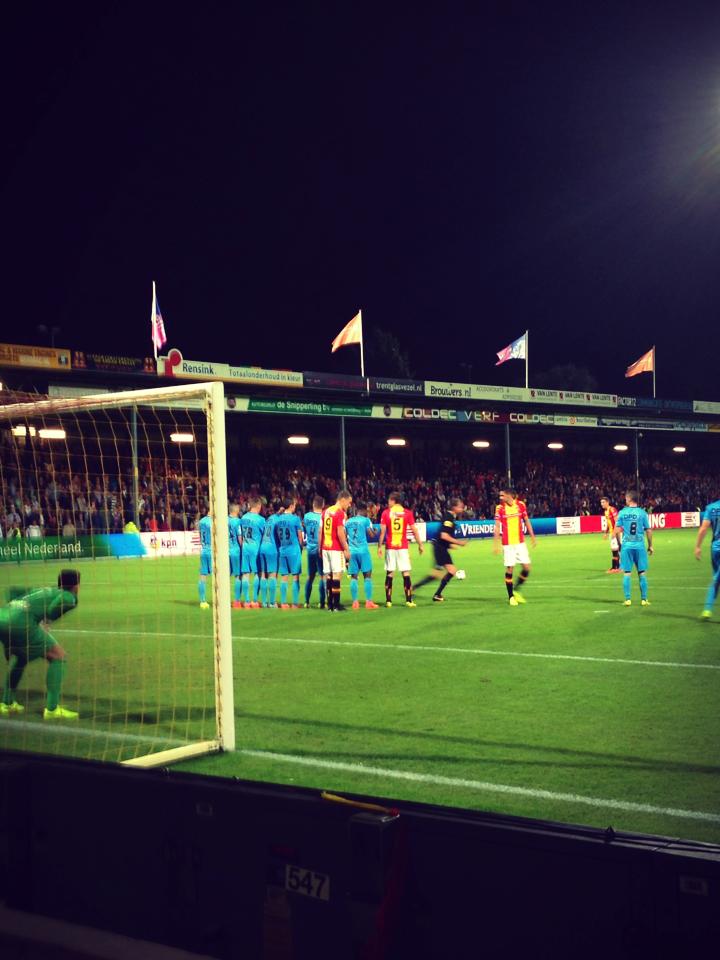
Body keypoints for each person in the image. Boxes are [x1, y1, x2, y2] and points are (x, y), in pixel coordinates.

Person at [0, 570, 81, 720]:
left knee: (22, 656)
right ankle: (52, 709)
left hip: (3, 618)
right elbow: (55, 608)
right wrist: (47, 620)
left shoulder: (44, 590)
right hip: (21, 624)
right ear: (76, 585)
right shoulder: (69, 596)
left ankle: (7, 702)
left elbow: (12, 591)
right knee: (58, 656)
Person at [413, 497, 467, 602]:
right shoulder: (448, 518)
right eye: (460, 507)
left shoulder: (450, 517)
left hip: (441, 548)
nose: (462, 509)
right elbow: (444, 536)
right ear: (454, 507)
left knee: (442, 573)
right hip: (440, 548)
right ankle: (432, 593)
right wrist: (459, 543)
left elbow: (443, 536)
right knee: (445, 572)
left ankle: (427, 592)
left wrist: (450, 545)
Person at [378, 492, 423, 608]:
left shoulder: (386, 513)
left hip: (390, 547)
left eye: (389, 500)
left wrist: (379, 547)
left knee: (390, 572)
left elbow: (382, 532)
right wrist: (420, 544)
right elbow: (414, 530)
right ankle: (409, 600)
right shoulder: (407, 513)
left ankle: (388, 601)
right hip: (402, 547)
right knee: (406, 573)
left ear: (393, 501)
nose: (388, 503)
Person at [493, 489, 536, 606]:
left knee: (527, 568)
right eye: (500, 495)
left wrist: (532, 536)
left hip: (520, 543)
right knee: (510, 569)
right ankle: (511, 596)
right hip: (508, 544)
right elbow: (497, 526)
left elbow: (526, 521)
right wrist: (496, 544)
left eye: (503, 495)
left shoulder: (521, 505)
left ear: (510, 495)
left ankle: (516, 590)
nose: (501, 497)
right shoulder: (499, 508)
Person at [616, 491, 653, 607]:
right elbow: (648, 530)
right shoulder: (642, 513)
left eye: (626, 498)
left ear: (629, 499)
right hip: (639, 546)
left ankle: (628, 599)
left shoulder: (622, 513)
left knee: (627, 573)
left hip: (626, 546)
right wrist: (650, 545)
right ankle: (644, 599)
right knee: (642, 573)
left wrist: (620, 545)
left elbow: (617, 531)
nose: (625, 499)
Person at [321, 490, 352, 612]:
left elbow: (321, 531)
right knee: (337, 575)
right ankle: (336, 605)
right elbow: (340, 532)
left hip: (325, 547)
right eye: (349, 502)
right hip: (335, 548)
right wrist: (346, 548)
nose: (349, 505)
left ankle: (330, 605)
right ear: (342, 500)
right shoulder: (339, 513)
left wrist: (320, 547)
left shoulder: (326, 512)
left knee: (328, 575)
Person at [345, 501, 379, 610]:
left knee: (354, 577)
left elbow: (345, 536)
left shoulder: (348, 522)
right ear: (363, 510)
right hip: (363, 551)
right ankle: (368, 602)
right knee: (367, 576)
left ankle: (355, 602)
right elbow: (371, 535)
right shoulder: (365, 520)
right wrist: (375, 530)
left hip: (352, 552)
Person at [274, 498, 304, 609]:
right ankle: (295, 603)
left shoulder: (278, 520)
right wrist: (300, 547)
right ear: (291, 506)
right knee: (295, 577)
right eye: (294, 505)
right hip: (293, 550)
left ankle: (283, 602)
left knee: (284, 578)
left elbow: (277, 535)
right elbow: (300, 536)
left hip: (283, 550)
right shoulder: (295, 519)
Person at [694, 496, 720, 619]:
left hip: (715, 548)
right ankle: (707, 609)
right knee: (716, 578)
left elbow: (703, 528)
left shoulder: (711, 507)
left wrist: (698, 547)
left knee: (716, 578)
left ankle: (707, 609)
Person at [240, 497, 266, 608]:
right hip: (256, 548)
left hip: (245, 547)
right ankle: (254, 600)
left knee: (245, 574)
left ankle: (246, 600)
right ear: (258, 506)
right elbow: (265, 535)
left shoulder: (243, 517)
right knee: (257, 573)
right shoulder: (261, 520)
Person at [303, 496, 326, 609]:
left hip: (310, 549)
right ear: (323, 505)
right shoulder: (323, 516)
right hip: (320, 549)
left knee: (310, 576)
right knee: (322, 576)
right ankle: (321, 602)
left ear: (313, 504)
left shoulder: (307, 516)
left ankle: (306, 601)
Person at [259, 503, 281, 608]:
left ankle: (263, 602)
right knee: (272, 575)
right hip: (272, 548)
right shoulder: (278, 520)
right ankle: (272, 603)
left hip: (263, 546)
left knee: (263, 574)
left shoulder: (269, 518)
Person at [228, 503, 243, 608]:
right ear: (236, 510)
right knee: (238, 576)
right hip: (236, 551)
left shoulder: (223, 520)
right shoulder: (238, 522)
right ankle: (237, 601)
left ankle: (223, 600)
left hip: (225, 552)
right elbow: (239, 537)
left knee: (225, 577)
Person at [600, 497, 621, 573]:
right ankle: (616, 567)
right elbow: (609, 524)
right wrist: (606, 532)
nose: (602, 504)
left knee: (615, 549)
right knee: (615, 549)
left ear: (607, 502)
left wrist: (614, 532)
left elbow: (617, 521)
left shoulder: (612, 509)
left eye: (603, 502)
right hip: (612, 532)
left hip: (615, 532)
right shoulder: (606, 511)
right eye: (601, 502)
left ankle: (615, 568)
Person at [197, 511, 212, 609]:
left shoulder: (201, 521)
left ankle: (202, 601)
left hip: (203, 550)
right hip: (212, 551)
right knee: (219, 577)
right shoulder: (214, 521)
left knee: (202, 576)